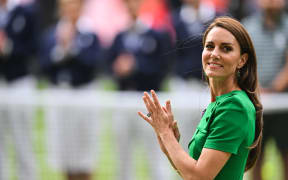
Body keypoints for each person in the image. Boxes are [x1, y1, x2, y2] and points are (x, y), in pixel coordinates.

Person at [138, 16, 263, 179]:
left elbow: (199, 177)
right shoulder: (218, 103)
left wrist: (165, 134)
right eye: (209, 46)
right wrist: (168, 141)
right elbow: (191, 172)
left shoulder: (234, 106)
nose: (214, 54)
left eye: (226, 48)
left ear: (242, 60)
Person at [106, 0, 174, 179]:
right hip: (123, 100)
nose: (131, 6)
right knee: (123, 156)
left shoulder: (156, 34)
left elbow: (162, 68)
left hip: (149, 102)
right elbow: (107, 66)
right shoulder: (119, 36)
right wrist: (118, 68)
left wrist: (135, 66)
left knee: (155, 154)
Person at [39, 0, 103, 179]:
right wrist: (61, 49)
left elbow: (93, 63)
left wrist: (73, 48)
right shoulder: (52, 34)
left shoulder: (90, 34)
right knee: (64, 148)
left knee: (85, 148)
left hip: (83, 93)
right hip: (60, 94)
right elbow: (43, 65)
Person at [242, 0, 288, 179]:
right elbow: (245, 62)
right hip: (256, 104)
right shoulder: (248, 27)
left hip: (283, 105)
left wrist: (274, 88)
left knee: (285, 155)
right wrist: (257, 88)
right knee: (256, 157)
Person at [0, 0, 38, 180]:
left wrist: (8, 47)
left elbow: (33, 47)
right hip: (2, 84)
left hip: (20, 83)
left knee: (23, 142)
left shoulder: (26, 11)